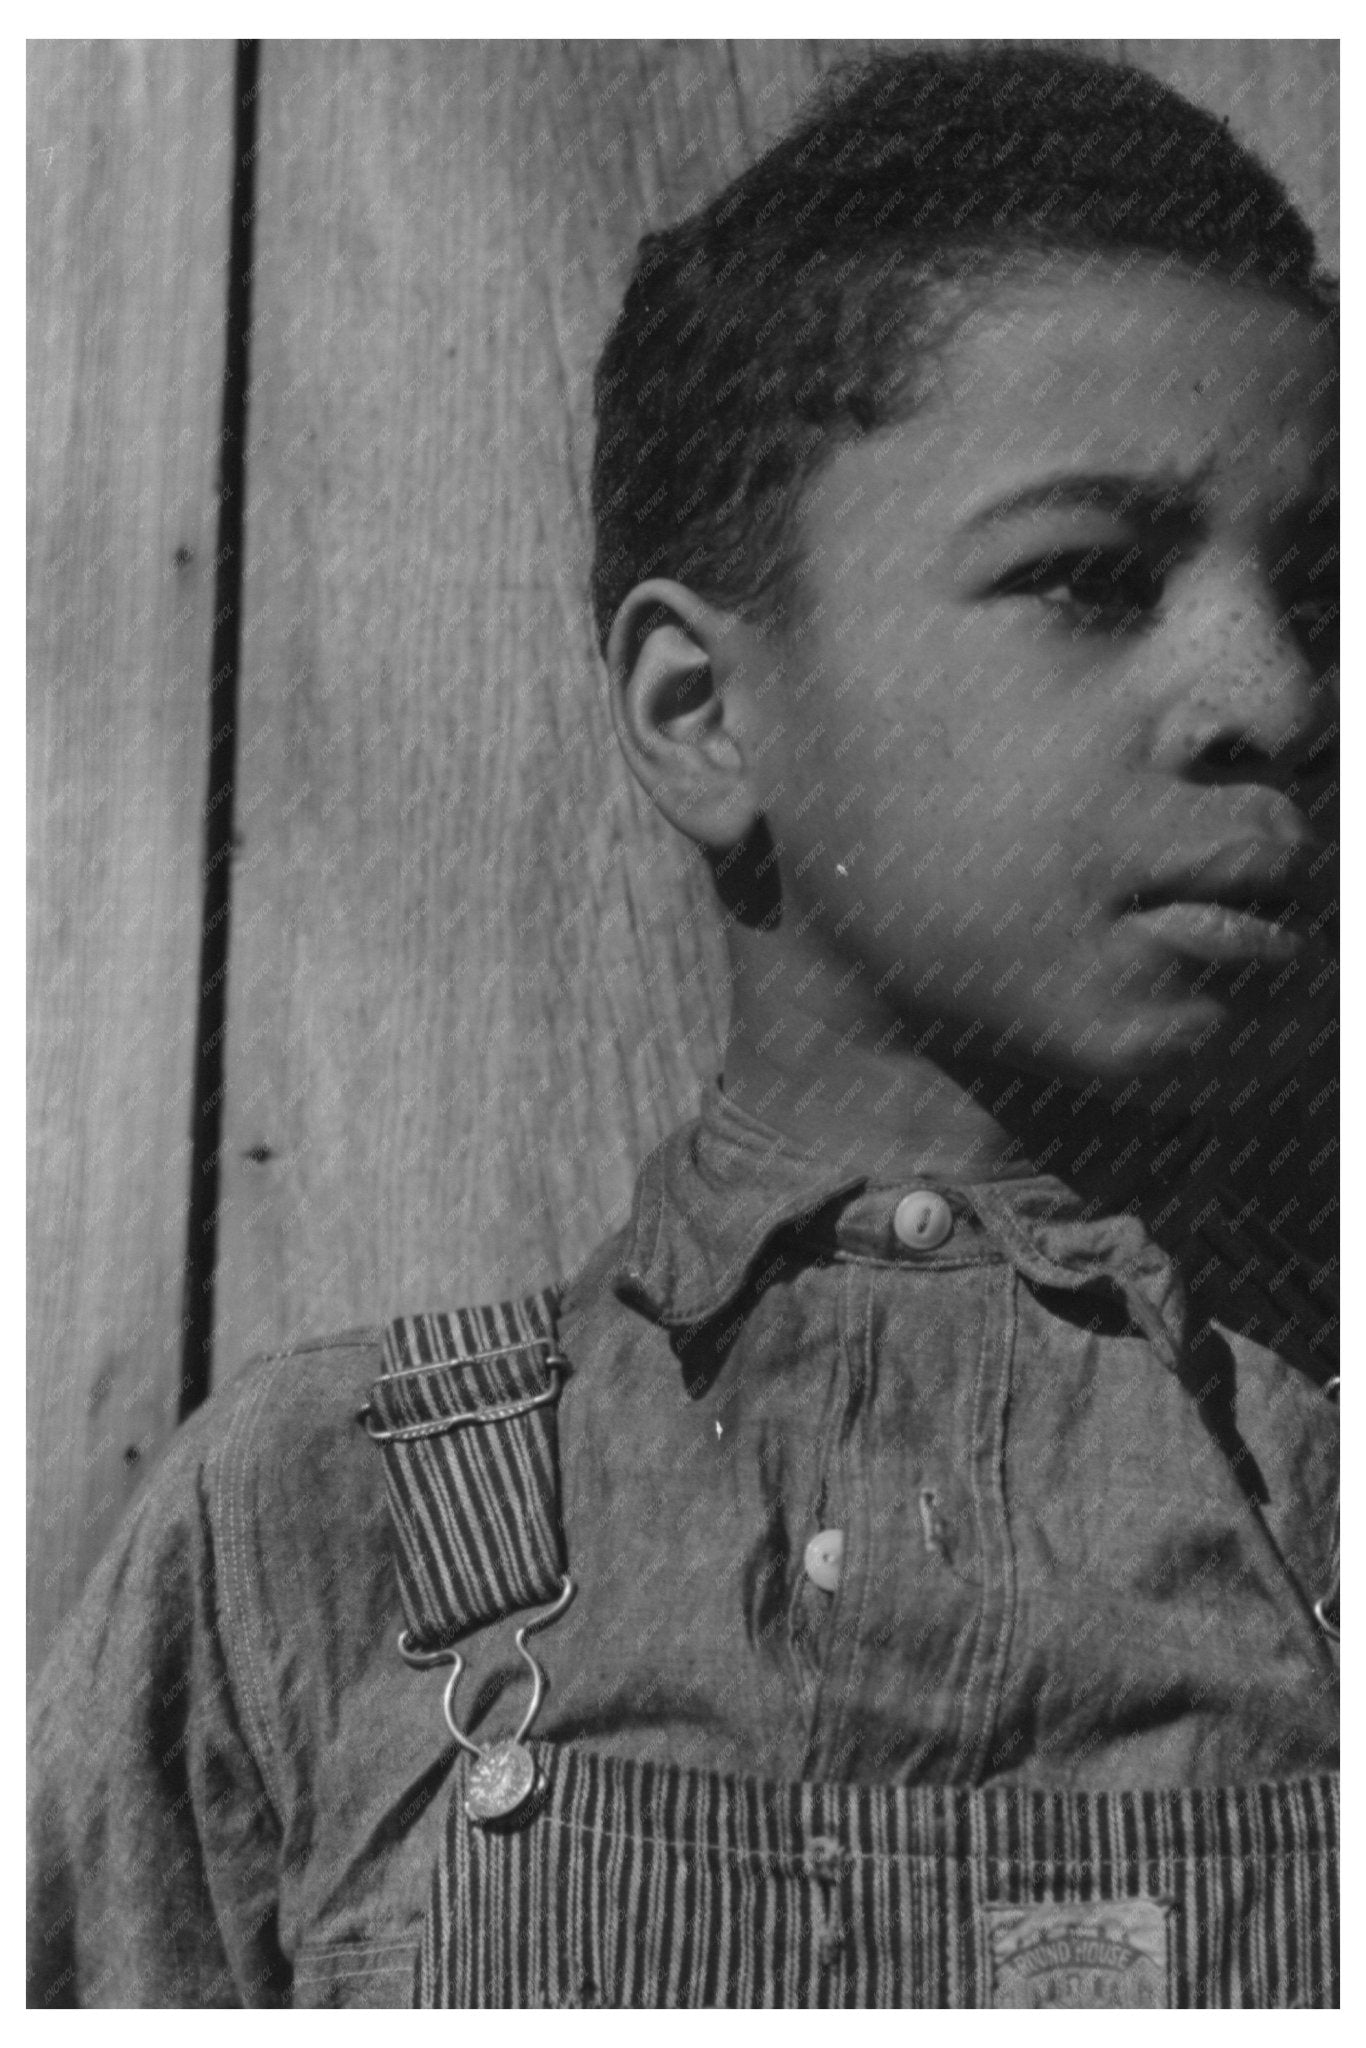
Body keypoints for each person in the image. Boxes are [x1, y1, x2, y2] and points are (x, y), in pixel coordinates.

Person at [28, 42, 1338, 2009]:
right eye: (1088, 575)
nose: (1270, 691)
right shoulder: (310, 1531)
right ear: (700, 715)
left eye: (1314, 590)